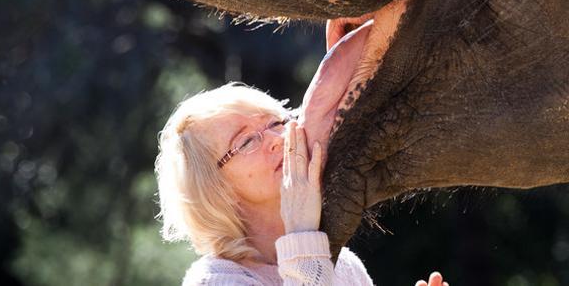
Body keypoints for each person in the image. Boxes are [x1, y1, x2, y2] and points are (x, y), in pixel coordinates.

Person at [156, 82, 448, 286]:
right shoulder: (214, 281)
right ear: (214, 189)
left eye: (275, 123)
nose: (275, 140)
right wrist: (302, 235)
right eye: (245, 142)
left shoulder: (342, 264)